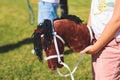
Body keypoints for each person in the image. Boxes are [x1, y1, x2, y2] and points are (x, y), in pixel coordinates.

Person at [80, 0, 120, 80]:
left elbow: (117, 19)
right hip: (99, 41)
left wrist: (96, 47)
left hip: (112, 42)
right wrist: (89, 33)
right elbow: (94, 9)